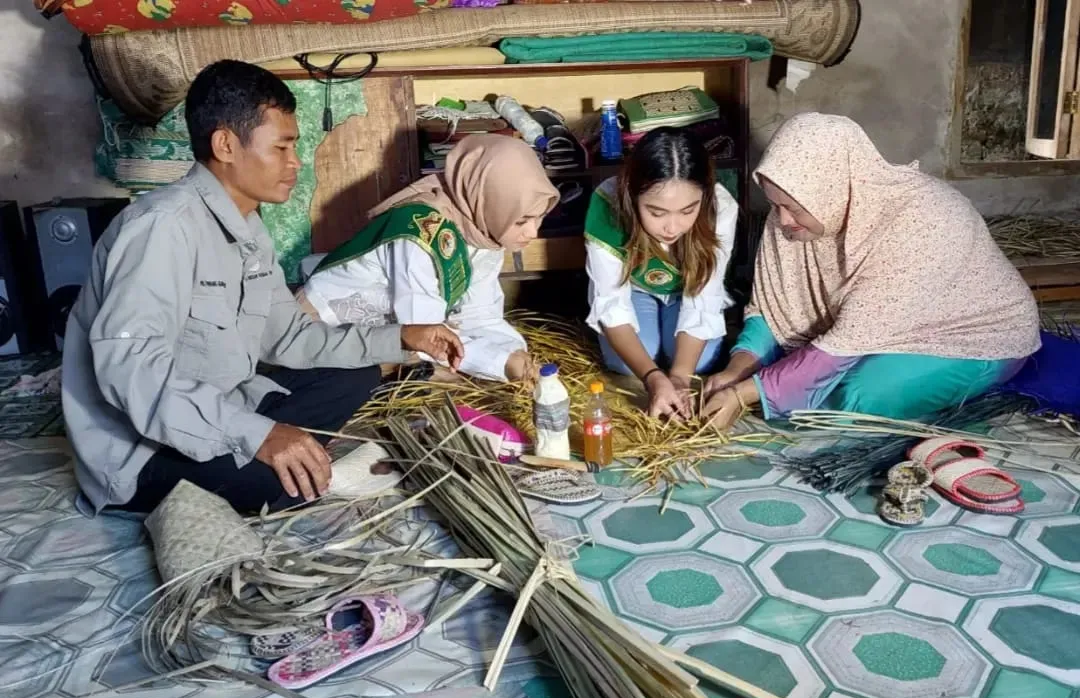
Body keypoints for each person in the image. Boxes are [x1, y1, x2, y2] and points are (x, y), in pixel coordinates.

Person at [62, 60, 463, 515]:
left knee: (358, 373)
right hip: (141, 451)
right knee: (281, 485)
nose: (295, 163)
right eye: (282, 148)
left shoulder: (248, 228)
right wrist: (260, 436)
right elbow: (130, 371)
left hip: (221, 409)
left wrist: (402, 338)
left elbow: (291, 337)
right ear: (226, 144)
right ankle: (265, 459)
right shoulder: (161, 228)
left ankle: (272, 450)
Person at [702, 112, 1040, 428]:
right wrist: (736, 370)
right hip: (867, 330)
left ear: (830, 191)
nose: (783, 220)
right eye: (776, 205)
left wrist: (743, 393)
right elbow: (772, 310)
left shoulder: (926, 219)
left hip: (965, 338)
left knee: (855, 398)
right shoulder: (788, 219)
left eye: (792, 208)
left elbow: (851, 336)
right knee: (799, 388)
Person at [296, 134, 560, 383]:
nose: (533, 232)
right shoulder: (421, 233)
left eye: (540, 217)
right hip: (325, 336)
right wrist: (500, 362)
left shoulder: (486, 227)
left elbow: (480, 315)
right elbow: (423, 335)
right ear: (490, 199)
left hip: (401, 329)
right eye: (523, 220)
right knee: (447, 383)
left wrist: (515, 353)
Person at [584, 126, 738, 419]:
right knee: (628, 363)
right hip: (636, 291)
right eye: (656, 213)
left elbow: (704, 297)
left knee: (700, 363)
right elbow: (612, 303)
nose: (672, 228)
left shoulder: (721, 207)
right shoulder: (607, 204)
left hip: (685, 294)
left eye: (687, 211)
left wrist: (679, 378)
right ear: (632, 194)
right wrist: (652, 378)